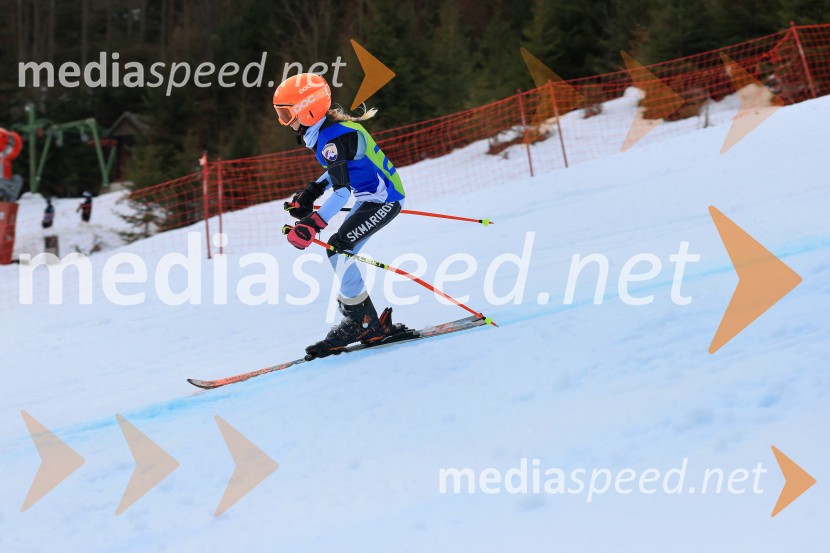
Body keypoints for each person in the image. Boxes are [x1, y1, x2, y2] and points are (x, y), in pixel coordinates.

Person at [274, 73, 408, 358]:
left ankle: (362, 321)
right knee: (339, 251)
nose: (285, 122)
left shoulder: (333, 137)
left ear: (307, 109)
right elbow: (337, 171)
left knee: (339, 247)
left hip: (384, 199)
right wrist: (310, 193)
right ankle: (364, 320)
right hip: (371, 197)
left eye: (286, 114)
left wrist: (313, 224)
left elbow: (341, 192)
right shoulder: (328, 134)